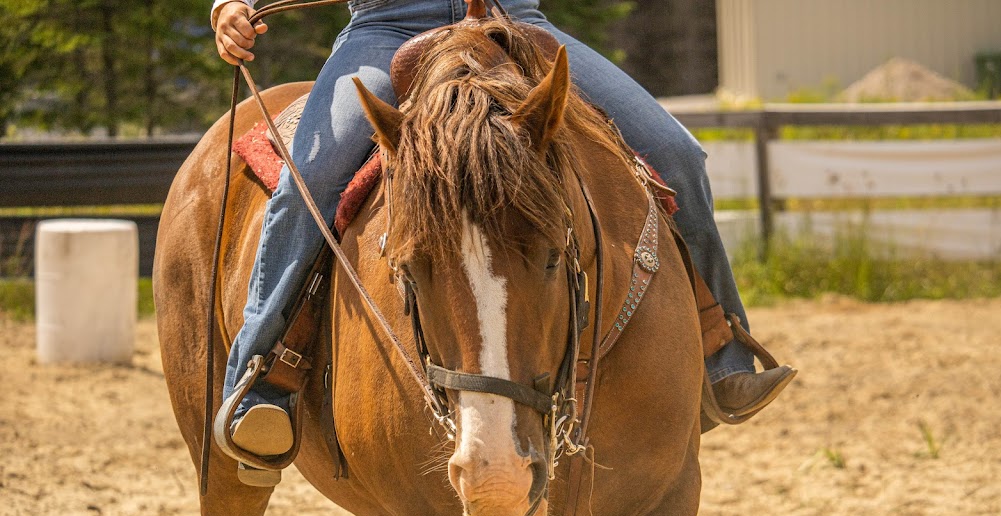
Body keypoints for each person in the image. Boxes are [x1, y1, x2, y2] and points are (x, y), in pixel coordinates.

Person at [211, 0, 795, 463]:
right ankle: (259, 377)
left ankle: (722, 346)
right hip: (388, 27)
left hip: (516, 21)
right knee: (306, 184)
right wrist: (232, 4)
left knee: (677, 154)